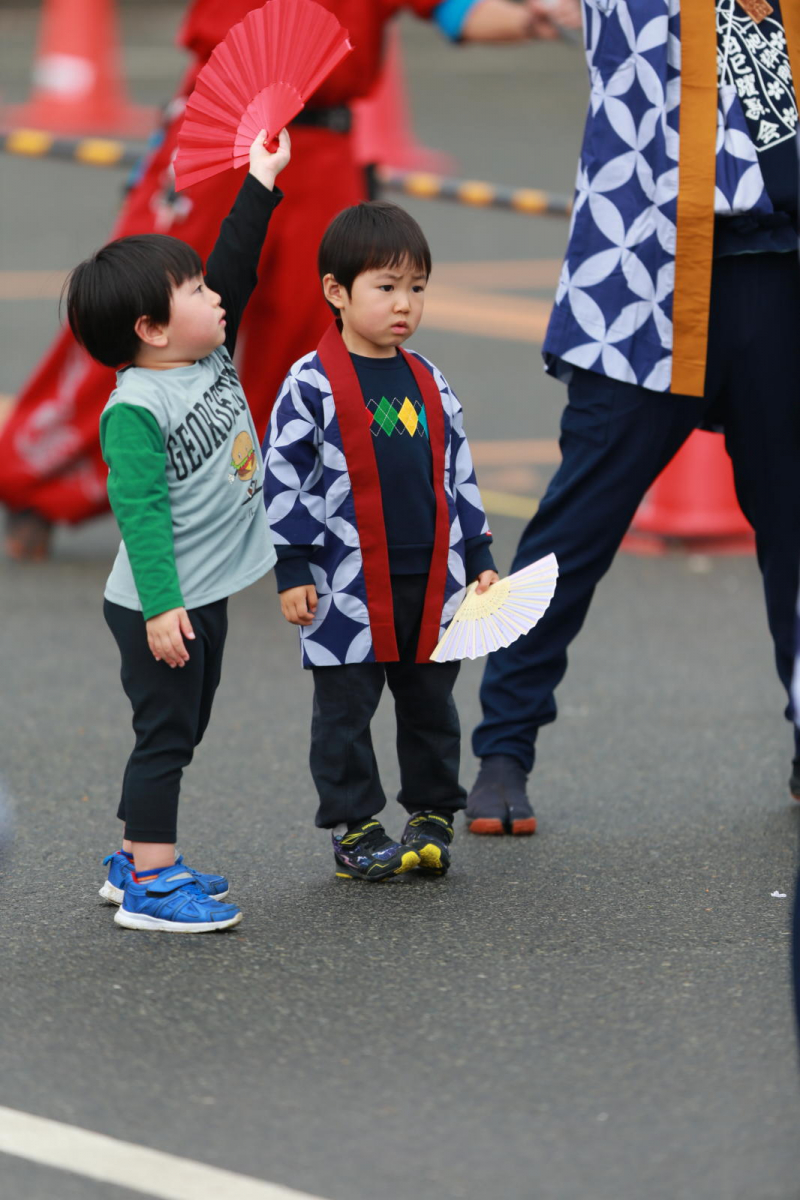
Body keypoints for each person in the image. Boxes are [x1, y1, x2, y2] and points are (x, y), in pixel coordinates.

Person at [1, 0, 581, 560]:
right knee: (147, 311)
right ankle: (32, 483)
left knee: (314, 342)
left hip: (322, 145)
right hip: (223, 122)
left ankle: (263, 504)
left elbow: (457, 10)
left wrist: (534, 17)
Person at [466, 0, 800, 834]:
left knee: (797, 528)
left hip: (782, 274)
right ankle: (503, 746)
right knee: (579, 521)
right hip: (647, 279)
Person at [67, 130, 291, 932]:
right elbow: (141, 514)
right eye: (193, 291)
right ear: (152, 329)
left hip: (203, 593)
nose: (214, 296)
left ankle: (134, 855)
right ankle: (151, 887)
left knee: (183, 726)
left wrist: (261, 180)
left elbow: (236, 264)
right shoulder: (135, 408)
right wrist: (162, 607)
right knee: (165, 735)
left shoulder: (208, 353)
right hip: (159, 604)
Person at [263, 201, 497, 881]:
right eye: (386, 287)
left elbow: (460, 472)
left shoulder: (429, 380)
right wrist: (292, 564)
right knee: (345, 709)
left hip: (431, 578)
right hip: (342, 582)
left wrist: (478, 556)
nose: (404, 305)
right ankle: (355, 825)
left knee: (432, 703)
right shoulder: (311, 383)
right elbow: (285, 477)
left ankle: (430, 814)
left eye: (417, 288)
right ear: (336, 292)